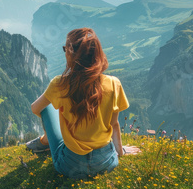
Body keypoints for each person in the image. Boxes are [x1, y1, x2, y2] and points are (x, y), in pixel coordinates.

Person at [26, 28, 129, 179]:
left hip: (70, 166)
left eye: (65, 49)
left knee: (47, 107)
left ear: (71, 54)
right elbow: (114, 124)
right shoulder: (114, 84)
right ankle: (44, 141)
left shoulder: (59, 84)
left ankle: (44, 141)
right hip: (107, 163)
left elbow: (35, 108)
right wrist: (120, 152)